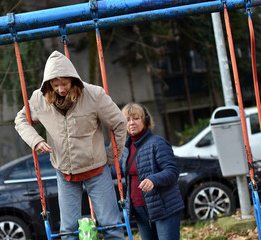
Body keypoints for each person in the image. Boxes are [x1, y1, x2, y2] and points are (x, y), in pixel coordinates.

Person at [15, 50, 127, 240]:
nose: (60, 89)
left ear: (73, 80)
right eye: (55, 84)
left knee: (110, 224)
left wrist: (111, 157)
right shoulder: (39, 100)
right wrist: (36, 141)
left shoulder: (94, 95)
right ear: (48, 83)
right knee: (68, 229)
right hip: (64, 172)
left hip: (96, 169)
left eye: (64, 83)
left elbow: (119, 123)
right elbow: (20, 120)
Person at [120, 102, 184, 240]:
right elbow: (117, 170)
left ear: (145, 120)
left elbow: (172, 171)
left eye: (136, 118)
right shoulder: (126, 147)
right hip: (140, 211)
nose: (132, 123)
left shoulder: (158, 143)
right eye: (127, 119)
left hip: (164, 209)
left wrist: (153, 180)